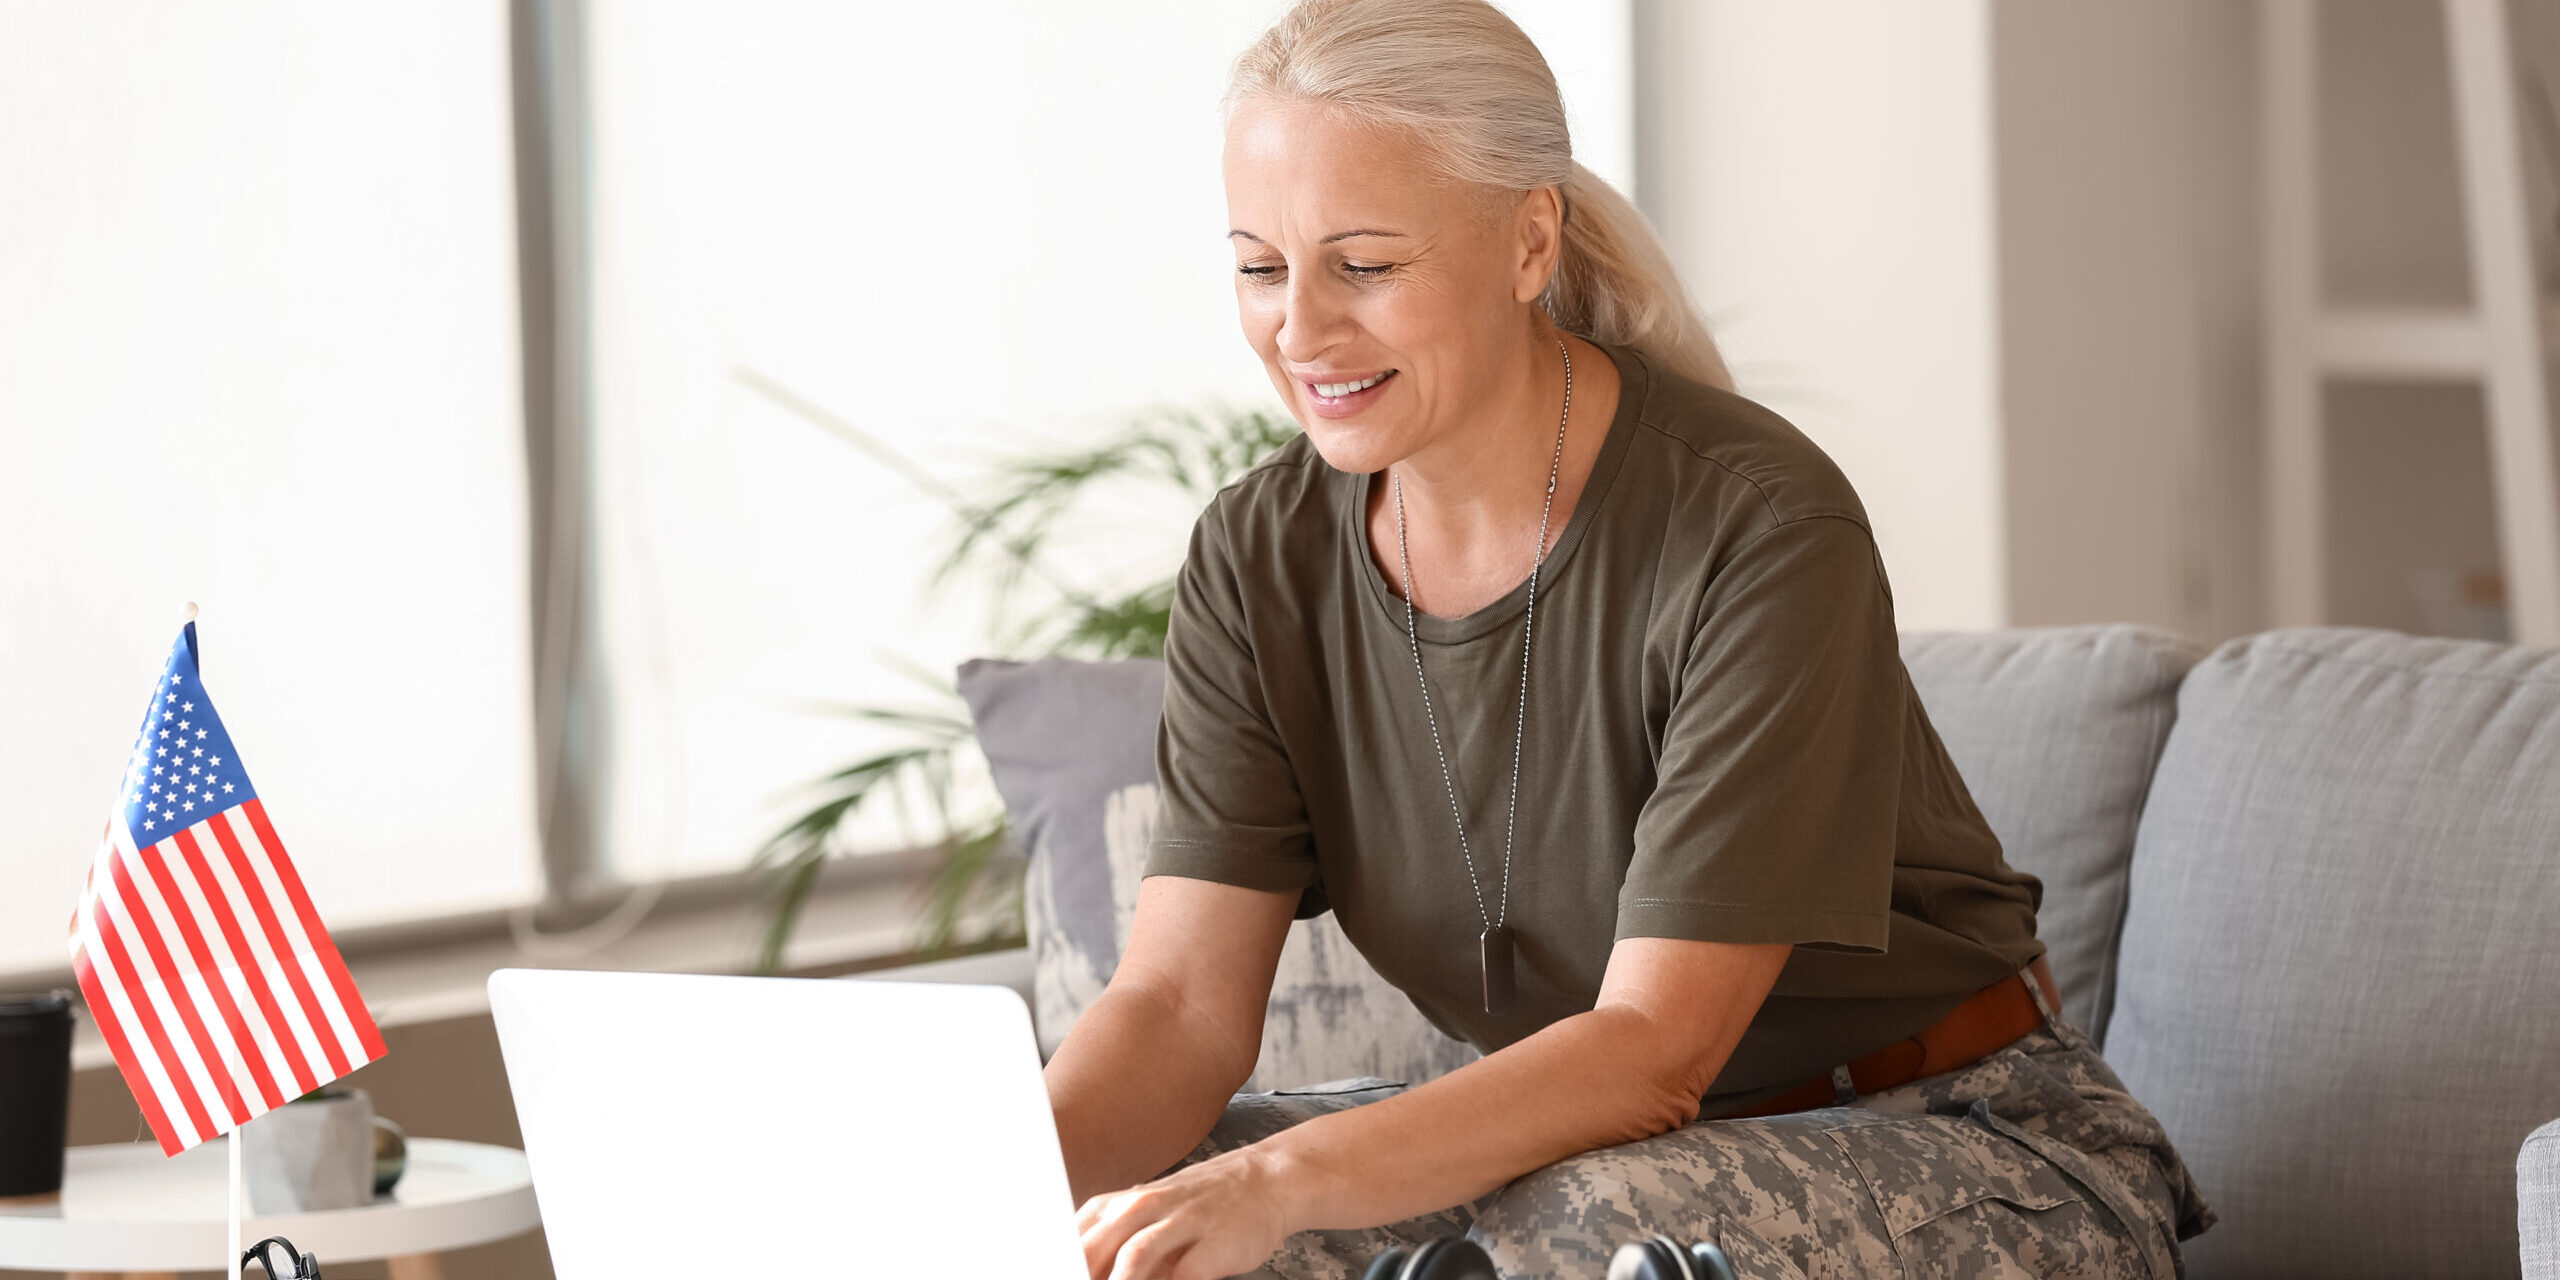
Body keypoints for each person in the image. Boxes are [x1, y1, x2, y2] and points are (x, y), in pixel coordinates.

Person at [1043, 1, 2217, 1277]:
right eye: (1260, 267)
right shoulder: (1257, 557)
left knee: (1560, 1237)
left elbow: (1656, 1046)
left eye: (1364, 265)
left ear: (1527, 239)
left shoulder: (1758, 527)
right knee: (1146, 1224)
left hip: (1968, 1148)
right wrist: (968, 1197)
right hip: (1586, 1159)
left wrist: (1281, 1182)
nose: (1301, 330)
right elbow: (1174, 1009)